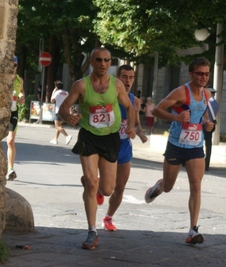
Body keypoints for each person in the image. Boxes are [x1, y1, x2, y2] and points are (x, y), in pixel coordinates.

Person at [58, 47, 136, 250]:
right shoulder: (81, 85)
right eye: (99, 60)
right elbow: (63, 108)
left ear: (110, 63)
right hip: (89, 137)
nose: (103, 64)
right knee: (93, 184)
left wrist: (131, 126)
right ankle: (92, 231)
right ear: (92, 62)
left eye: (107, 60)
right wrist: (69, 117)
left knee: (107, 189)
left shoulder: (117, 85)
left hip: (110, 138)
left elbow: (129, 107)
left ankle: (90, 182)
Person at [144, 57, 214, 245]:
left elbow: (203, 111)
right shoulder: (181, 92)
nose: (203, 77)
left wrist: (207, 124)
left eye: (206, 74)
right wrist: (176, 117)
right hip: (176, 145)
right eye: (199, 73)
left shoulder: (207, 94)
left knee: (196, 186)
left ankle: (193, 229)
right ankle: (158, 186)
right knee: (168, 187)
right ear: (191, 74)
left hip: (196, 147)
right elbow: (157, 110)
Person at [100, 64, 148, 232]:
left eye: (131, 77)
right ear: (117, 79)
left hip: (125, 147)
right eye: (124, 77)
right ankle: (99, 186)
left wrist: (140, 134)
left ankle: (108, 217)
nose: (128, 81)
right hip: (108, 145)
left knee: (120, 187)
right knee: (108, 188)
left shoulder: (134, 100)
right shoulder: (109, 96)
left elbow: (136, 125)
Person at [6, 56, 25, 180]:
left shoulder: (19, 80)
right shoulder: (2, 79)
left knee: (10, 141)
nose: (13, 67)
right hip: (1, 112)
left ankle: (10, 169)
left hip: (13, 112)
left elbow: (22, 92)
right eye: (11, 65)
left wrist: (22, 97)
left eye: (15, 65)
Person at [50, 81, 72, 145]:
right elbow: (69, 102)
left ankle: (67, 136)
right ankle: (55, 139)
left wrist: (53, 92)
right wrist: (70, 111)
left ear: (56, 87)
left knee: (57, 126)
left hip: (58, 111)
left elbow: (52, 100)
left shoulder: (57, 92)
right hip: (65, 111)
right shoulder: (66, 93)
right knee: (59, 125)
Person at [203, 87, 219, 171]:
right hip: (212, 124)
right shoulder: (216, 103)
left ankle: (199, 162)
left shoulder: (206, 102)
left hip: (203, 125)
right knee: (208, 144)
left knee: (198, 144)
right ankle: (207, 164)